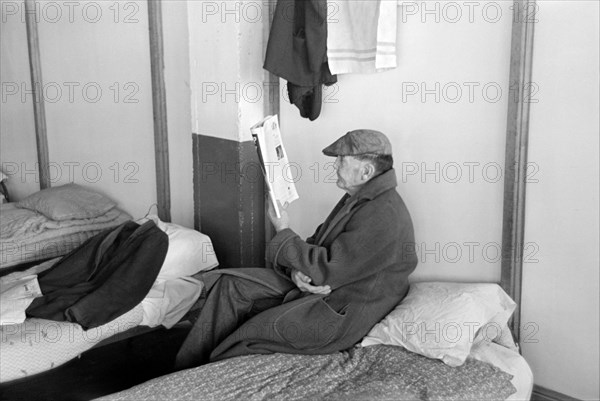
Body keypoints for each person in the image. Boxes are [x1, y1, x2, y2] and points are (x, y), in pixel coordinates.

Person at [174, 129, 418, 370]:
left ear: (366, 171)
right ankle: (182, 370)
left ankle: (202, 379)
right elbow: (318, 246)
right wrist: (296, 271)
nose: (336, 166)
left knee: (245, 338)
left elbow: (328, 271)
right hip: (318, 288)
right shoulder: (359, 197)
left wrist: (283, 229)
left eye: (342, 160)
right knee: (231, 286)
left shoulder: (384, 214)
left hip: (338, 311)